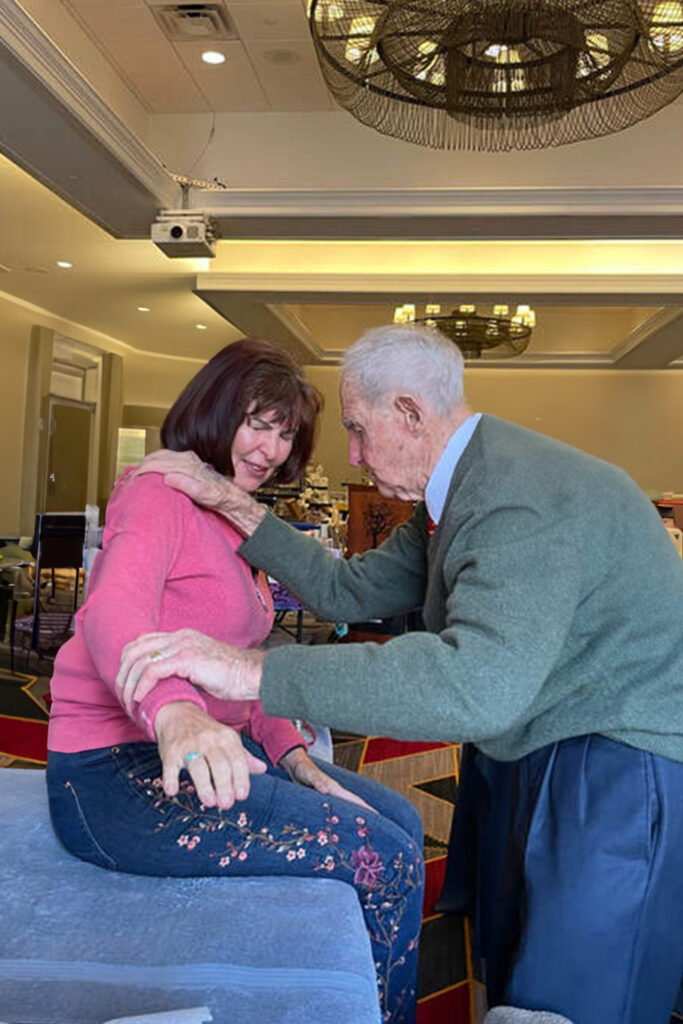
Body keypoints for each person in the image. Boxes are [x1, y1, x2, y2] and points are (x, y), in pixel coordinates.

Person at [117, 323, 683, 1024]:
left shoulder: (516, 493)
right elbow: (349, 592)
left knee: (575, 999)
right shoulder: (463, 486)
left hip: (615, 757)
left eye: (357, 430)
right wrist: (235, 504)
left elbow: (472, 685)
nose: (350, 454)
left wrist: (251, 671)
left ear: (410, 414)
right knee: (509, 971)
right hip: (536, 734)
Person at [46, 338, 424, 1024]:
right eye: (258, 422)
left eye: (284, 433)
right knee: (385, 860)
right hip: (116, 771)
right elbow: (111, 614)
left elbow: (239, 667)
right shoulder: (159, 491)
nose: (271, 448)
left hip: (205, 754)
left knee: (399, 819)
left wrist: (296, 757)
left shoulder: (225, 514)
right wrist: (174, 711)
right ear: (217, 409)